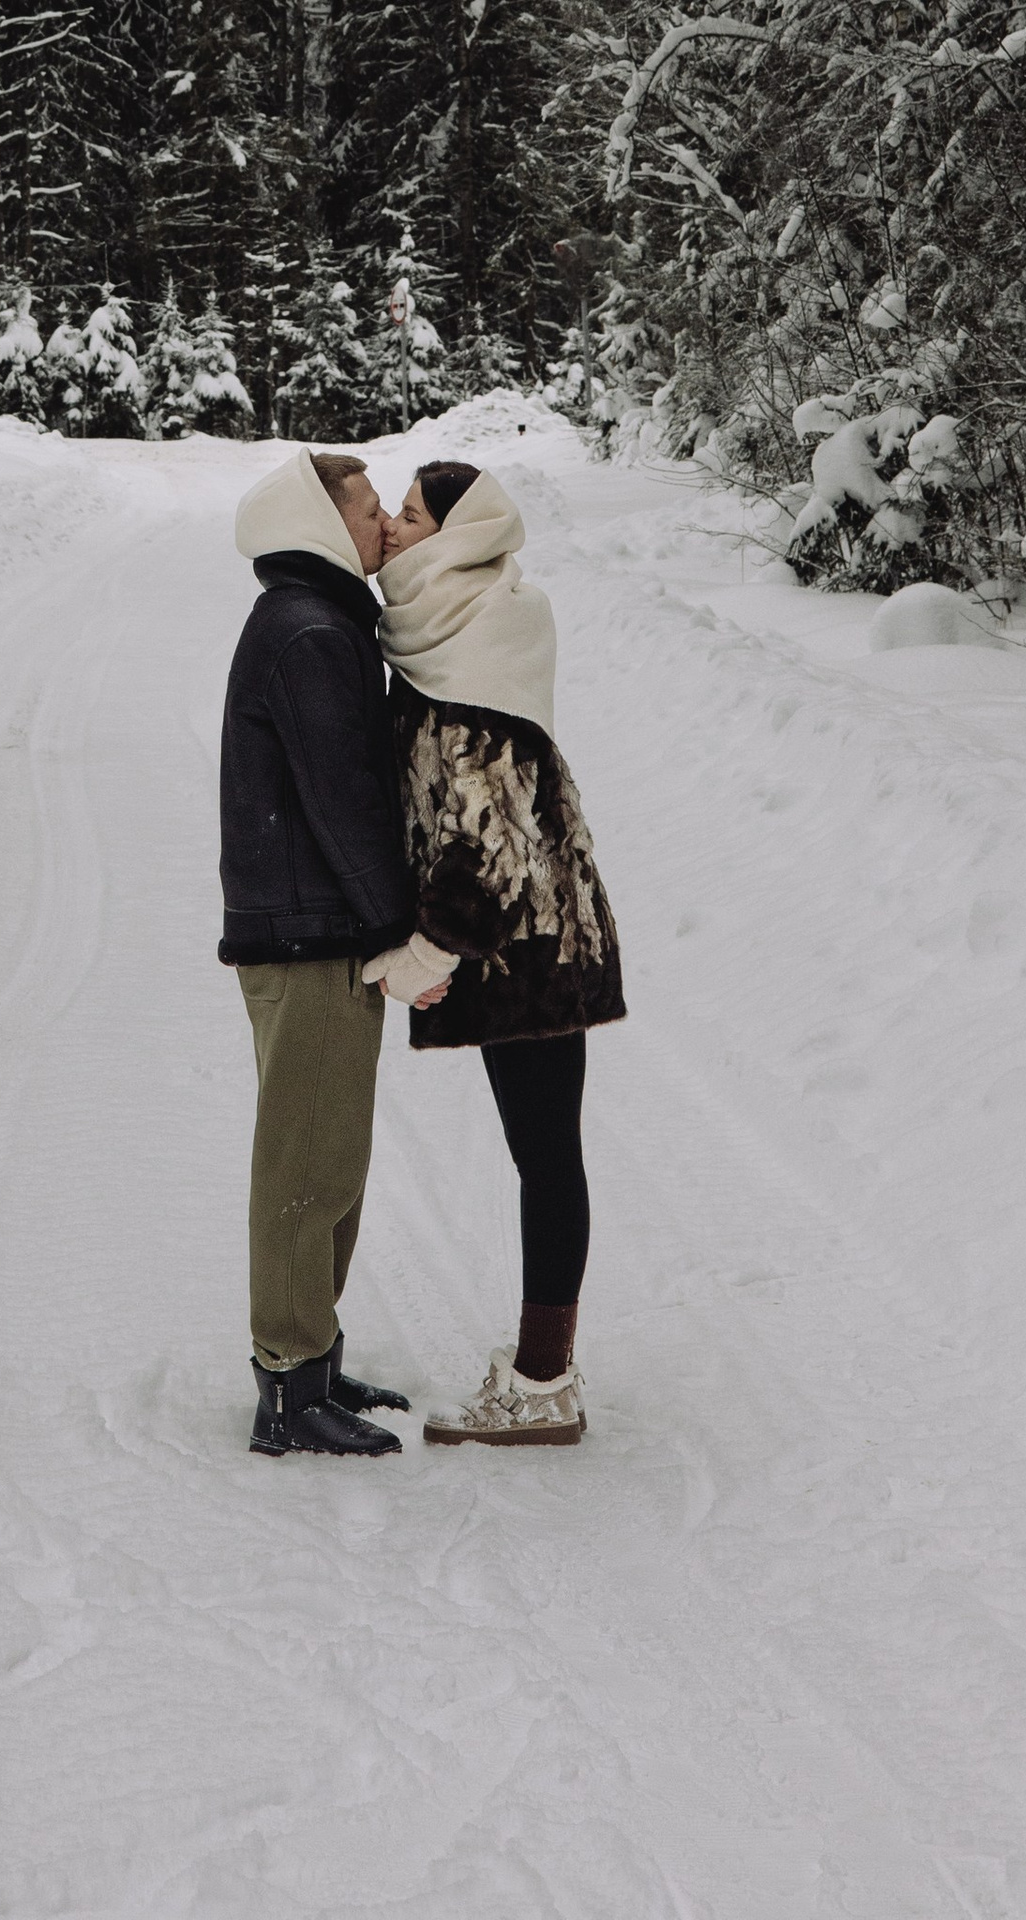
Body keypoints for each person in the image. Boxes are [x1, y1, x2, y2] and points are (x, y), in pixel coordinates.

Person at [218, 447, 465, 1458]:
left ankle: (312, 1360)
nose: (379, 525)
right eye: (365, 507)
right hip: (309, 933)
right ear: (319, 524)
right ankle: (286, 1388)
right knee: (304, 1165)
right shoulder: (312, 630)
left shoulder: (317, 621)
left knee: (333, 1160)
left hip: (315, 928)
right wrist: (397, 931)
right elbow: (344, 802)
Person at [374, 457, 624, 1447]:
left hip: (529, 947)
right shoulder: (442, 622)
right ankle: (544, 1370)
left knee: (545, 1155)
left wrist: (425, 955)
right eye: (390, 512)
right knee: (544, 1152)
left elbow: (488, 845)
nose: (392, 529)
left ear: (457, 535)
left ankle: (541, 1382)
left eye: (408, 514)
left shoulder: (475, 640)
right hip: (529, 940)